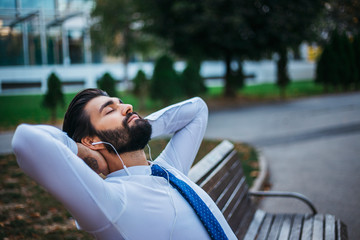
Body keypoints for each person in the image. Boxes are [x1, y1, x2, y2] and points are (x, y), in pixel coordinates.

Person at [12, 88, 237, 240]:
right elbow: (26, 140)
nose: (128, 106)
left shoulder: (169, 169)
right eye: (110, 110)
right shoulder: (111, 202)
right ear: (91, 140)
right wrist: (85, 152)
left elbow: (196, 109)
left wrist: (137, 127)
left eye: (122, 104)